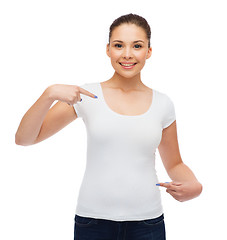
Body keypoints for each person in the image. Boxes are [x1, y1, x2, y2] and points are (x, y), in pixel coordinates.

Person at [15, 13, 203, 240]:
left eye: (137, 46)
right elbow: (24, 138)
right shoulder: (86, 95)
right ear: (108, 50)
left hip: (147, 224)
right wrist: (48, 95)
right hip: (92, 223)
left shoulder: (163, 103)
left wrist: (195, 186)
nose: (127, 54)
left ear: (148, 51)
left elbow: (174, 163)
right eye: (118, 45)